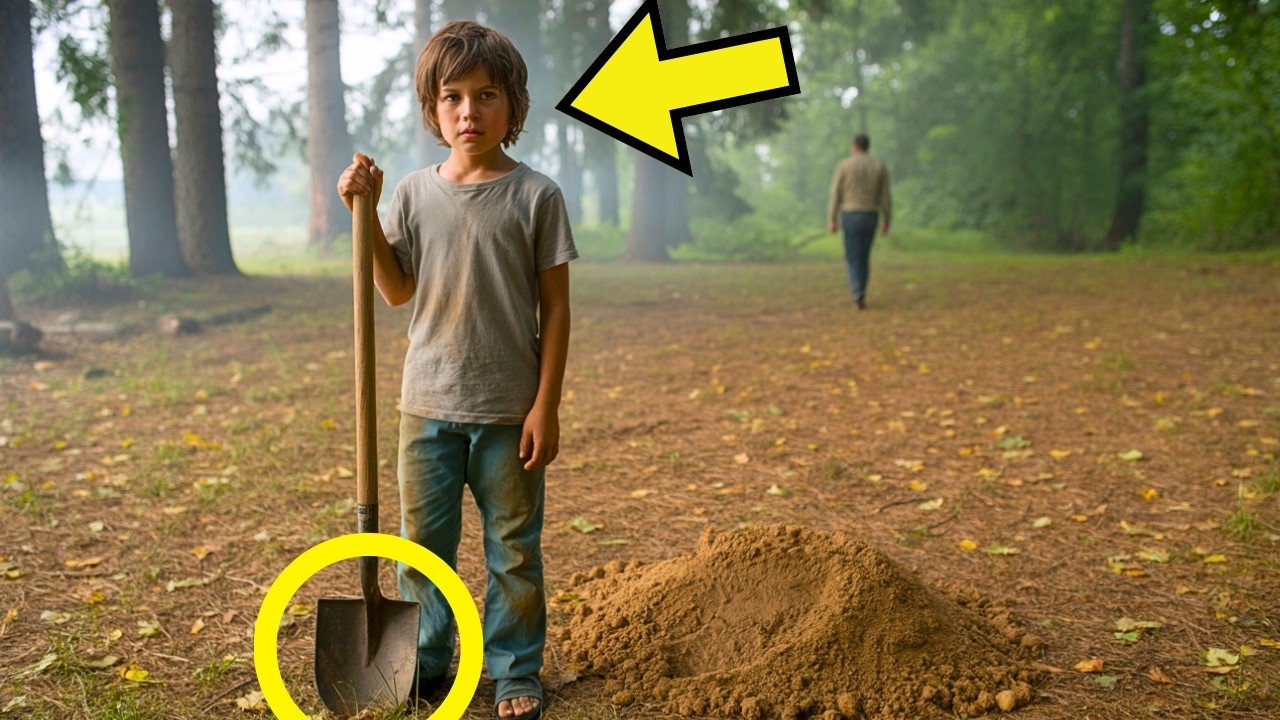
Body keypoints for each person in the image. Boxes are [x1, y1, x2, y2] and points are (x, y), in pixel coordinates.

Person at [336, 19, 577, 720]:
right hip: (428, 404)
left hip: (509, 409)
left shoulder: (536, 196)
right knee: (424, 552)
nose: (470, 111)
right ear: (434, 111)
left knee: (513, 550)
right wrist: (368, 211)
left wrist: (546, 406)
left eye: (487, 94)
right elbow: (395, 288)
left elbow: (556, 312)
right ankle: (426, 660)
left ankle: (513, 670)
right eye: (453, 98)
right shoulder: (412, 193)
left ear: (514, 106)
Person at [827, 133, 892, 309]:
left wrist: (832, 219)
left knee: (852, 255)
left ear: (854, 146)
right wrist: (887, 219)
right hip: (870, 215)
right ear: (867, 146)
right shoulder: (878, 166)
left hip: (850, 214)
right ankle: (861, 289)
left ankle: (857, 290)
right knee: (864, 255)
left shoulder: (844, 165)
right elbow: (885, 196)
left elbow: (835, 194)